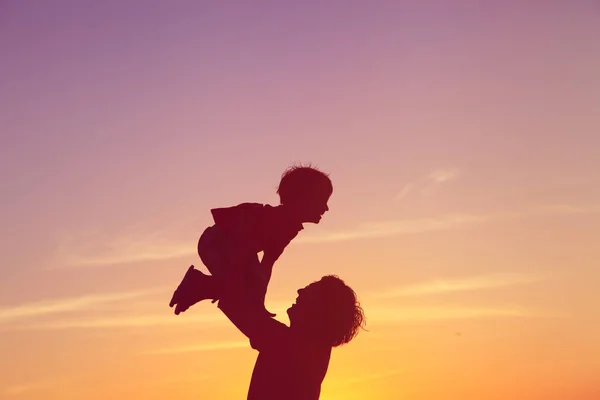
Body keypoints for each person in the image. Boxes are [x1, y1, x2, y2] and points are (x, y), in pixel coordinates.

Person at [169, 164, 333, 316]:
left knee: (246, 290)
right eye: (322, 200)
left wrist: (257, 304)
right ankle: (197, 284)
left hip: (234, 248)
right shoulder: (273, 220)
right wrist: (240, 293)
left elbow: (267, 264)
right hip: (215, 243)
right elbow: (242, 250)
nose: (326, 208)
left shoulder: (288, 228)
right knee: (240, 291)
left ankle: (198, 286)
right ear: (303, 199)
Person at [185, 262, 365, 400]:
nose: (300, 291)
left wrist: (206, 285)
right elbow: (249, 313)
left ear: (319, 310)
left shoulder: (294, 348)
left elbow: (243, 312)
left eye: (310, 291)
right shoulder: (309, 350)